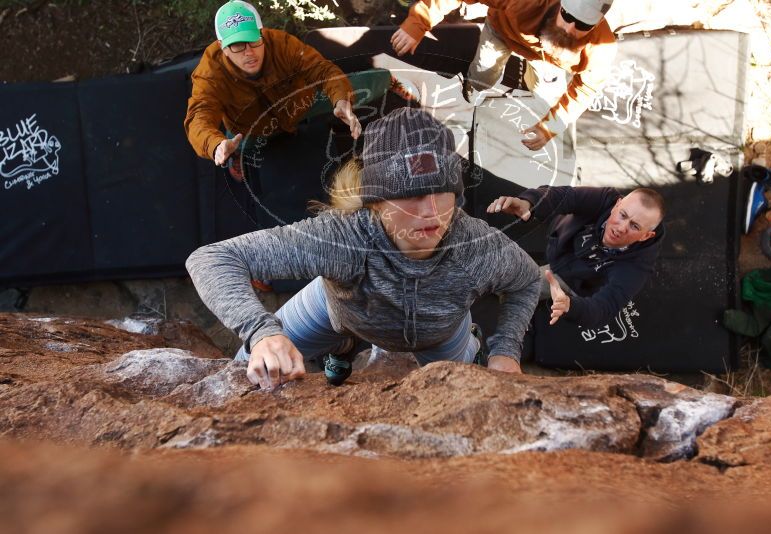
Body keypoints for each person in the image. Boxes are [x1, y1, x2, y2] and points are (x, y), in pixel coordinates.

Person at [186, 108, 541, 391]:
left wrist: (506, 351)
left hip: (440, 333)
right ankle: (340, 346)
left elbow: (526, 280)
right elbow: (212, 258)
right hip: (339, 310)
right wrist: (261, 332)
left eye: (441, 192)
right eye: (412, 195)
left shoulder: (476, 247)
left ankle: (468, 345)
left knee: (470, 396)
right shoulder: (345, 237)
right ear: (376, 201)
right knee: (247, 370)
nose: (431, 211)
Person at [391, 0, 617, 151]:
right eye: (567, 16)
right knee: (484, 73)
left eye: (583, 24)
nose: (570, 29)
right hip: (502, 32)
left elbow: (585, 88)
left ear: (596, 25)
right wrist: (417, 23)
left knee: (545, 101)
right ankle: (471, 93)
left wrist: (552, 126)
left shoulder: (601, 47)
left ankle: (533, 90)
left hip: (548, 59)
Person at [184, 0, 361, 181]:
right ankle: (234, 154)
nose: (249, 52)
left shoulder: (282, 44)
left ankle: (387, 81)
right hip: (250, 129)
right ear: (223, 47)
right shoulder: (210, 73)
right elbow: (199, 117)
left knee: (349, 90)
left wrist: (341, 100)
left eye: (253, 40)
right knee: (232, 143)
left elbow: (322, 70)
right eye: (237, 45)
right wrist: (215, 145)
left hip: (300, 107)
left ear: (262, 33)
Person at [487, 185, 664, 328]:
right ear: (616, 205)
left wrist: (570, 306)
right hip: (560, 247)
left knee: (515, 287)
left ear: (645, 236)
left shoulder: (637, 265)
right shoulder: (604, 198)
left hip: (575, 282)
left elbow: (604, 308)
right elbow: (565, 196)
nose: (621, 227)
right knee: (492, 276)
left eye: (634, 226)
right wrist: (529, 203)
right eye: (622, 215)